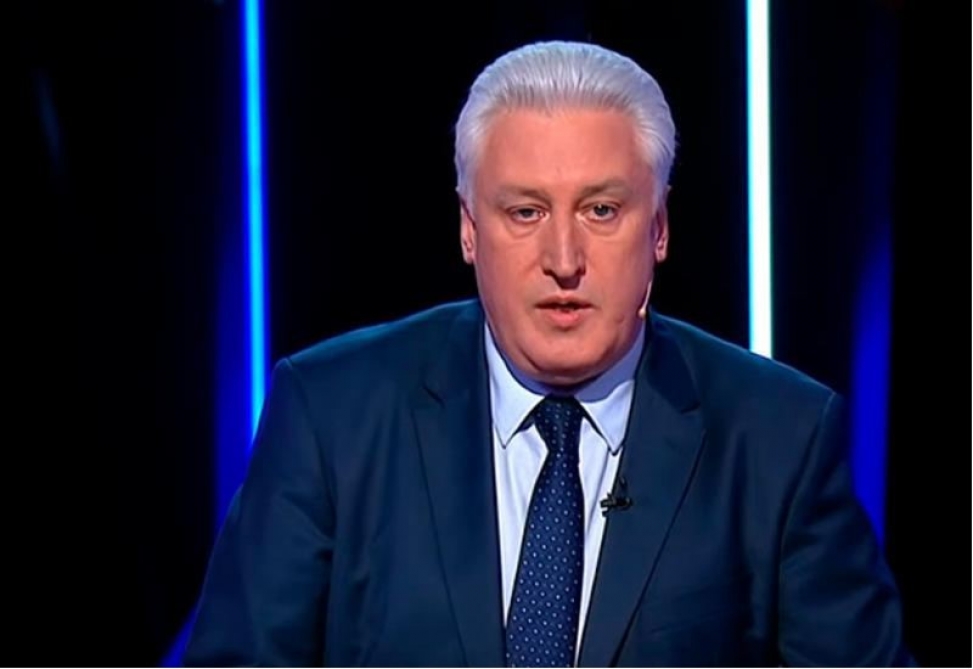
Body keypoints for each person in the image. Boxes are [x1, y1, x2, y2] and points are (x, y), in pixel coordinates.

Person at [183, 40, 911, 666]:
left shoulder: (780, 438)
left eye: (601, 210)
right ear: (469, 230)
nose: (564, 259)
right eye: (525, 212)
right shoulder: (330, 415)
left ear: (658, 228)